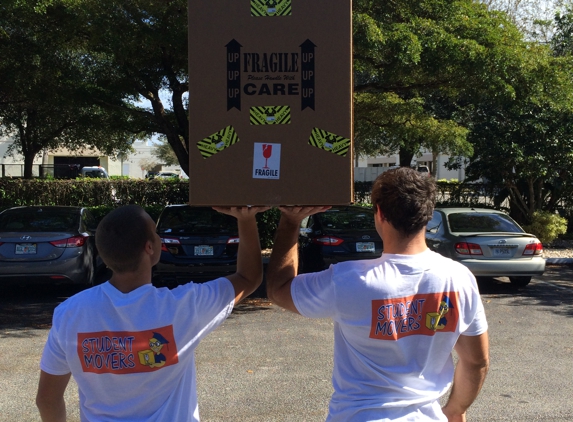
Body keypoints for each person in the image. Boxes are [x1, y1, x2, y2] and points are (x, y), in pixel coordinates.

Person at [266, 167, 489, 422]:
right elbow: (475, 361)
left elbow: (278, 289)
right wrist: (455, 410)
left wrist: (291, 220)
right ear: (428, 215)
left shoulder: (349, 280)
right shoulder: (460, 279)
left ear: (380, 213)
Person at [36, 204, 268, 422]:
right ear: (149, 247)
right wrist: (245, 219)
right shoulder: (185, 306)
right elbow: (249, 277)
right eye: (156, 233)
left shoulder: (69, 313)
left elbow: (47, 399)